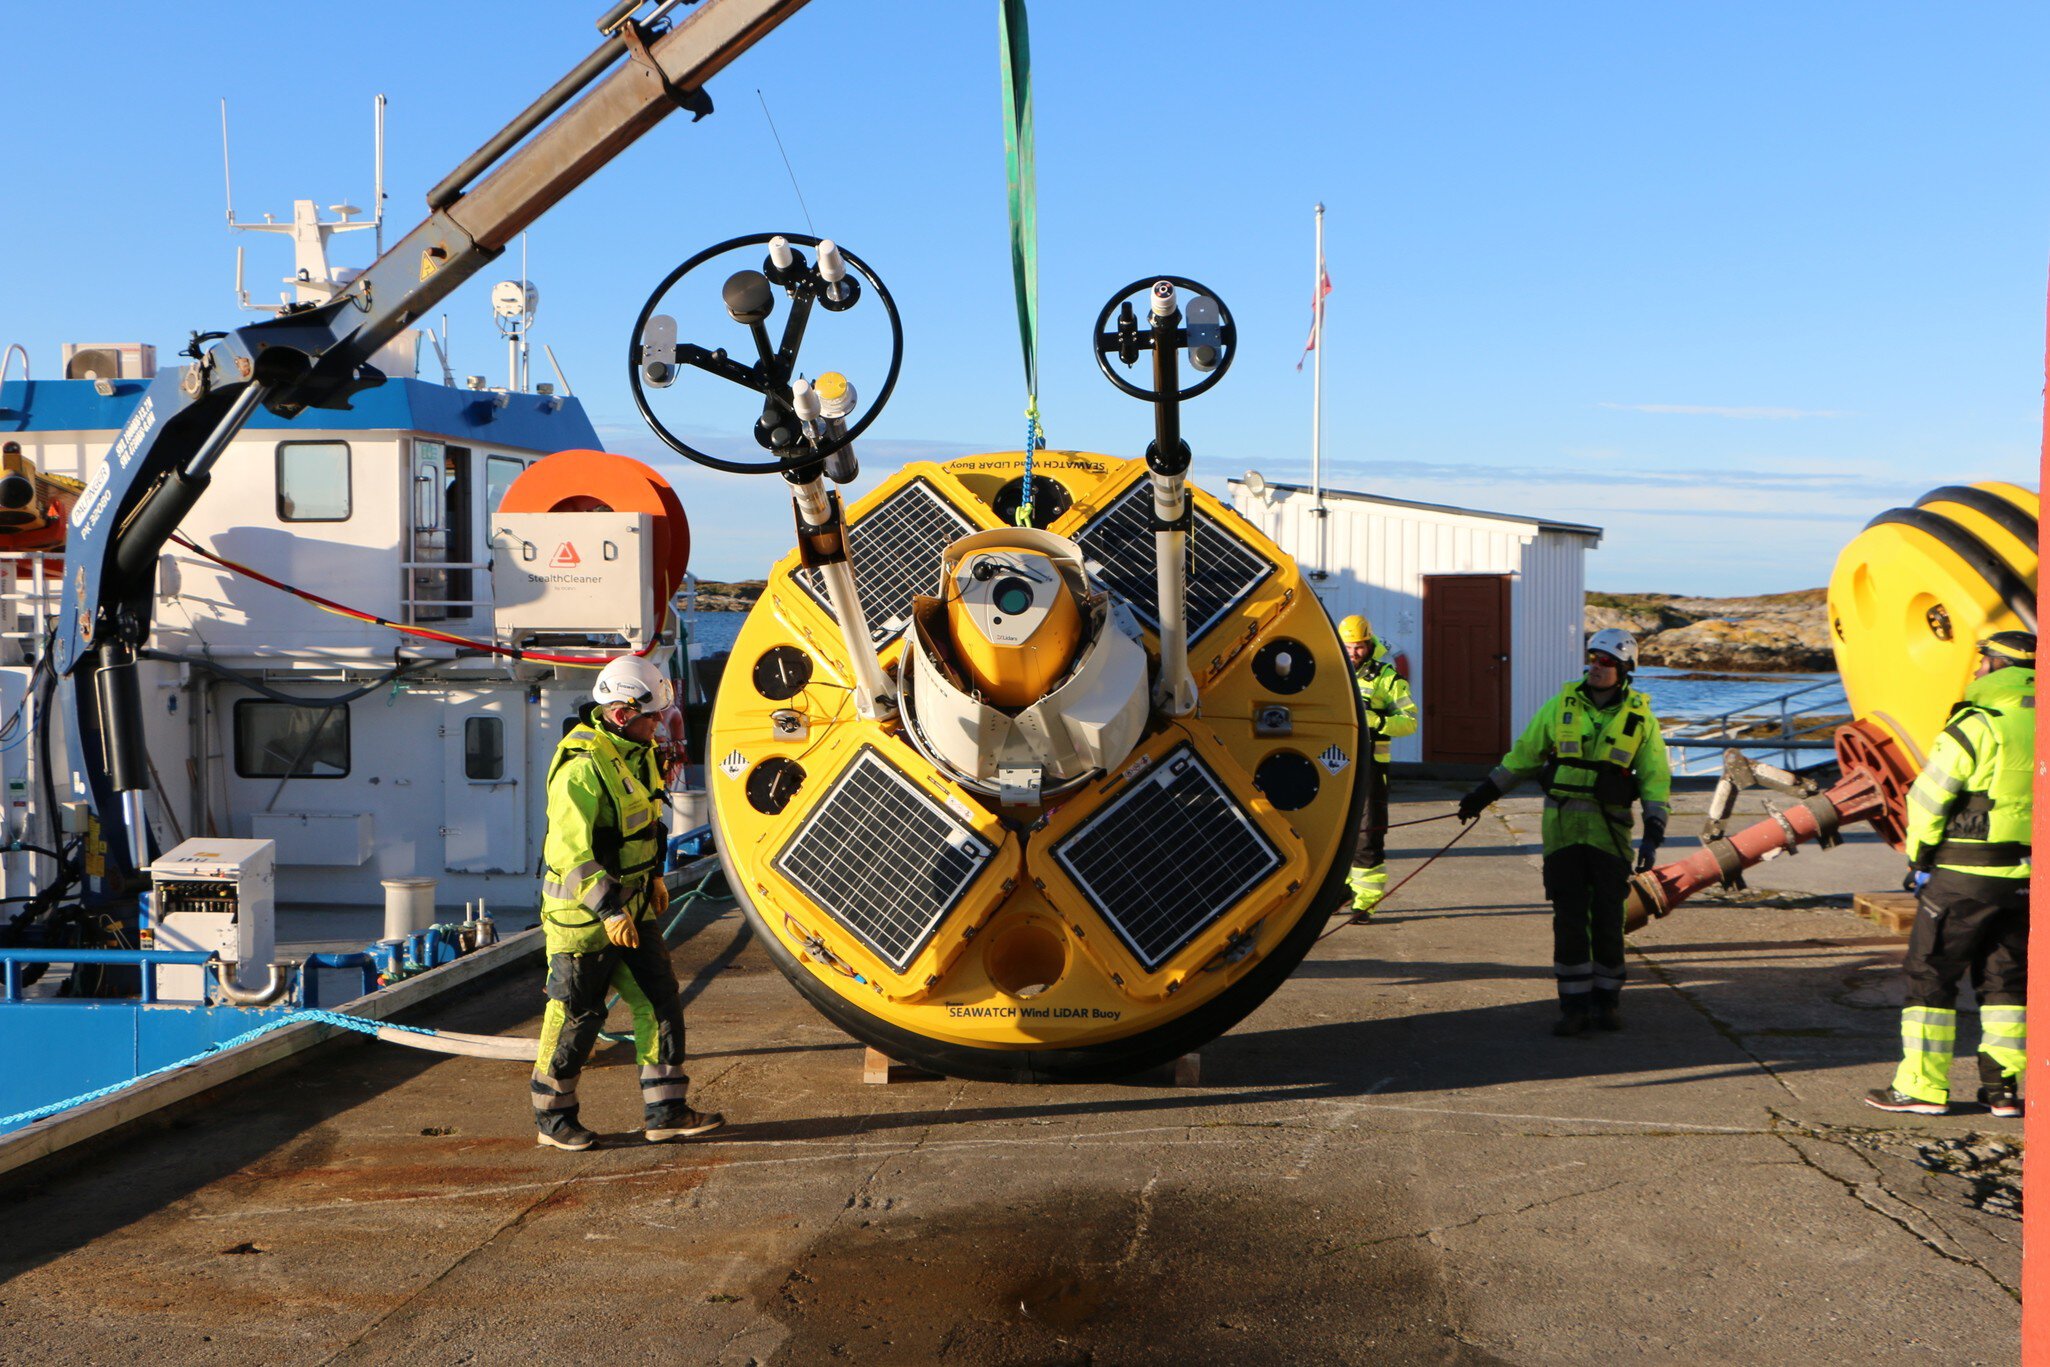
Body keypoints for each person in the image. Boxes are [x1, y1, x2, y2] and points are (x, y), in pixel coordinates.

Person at [531, 655, 723, 1150]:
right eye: (652, 715)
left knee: (659, 1004)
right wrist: (609, 910)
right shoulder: (581, 769)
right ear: (621, 714)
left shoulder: (635, 755)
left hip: (632, 910)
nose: (661, 723)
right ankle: (553, 1120)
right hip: (584, 920)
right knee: (577, 1015)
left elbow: (644, 829)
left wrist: (654, 879)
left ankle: (667, 1113)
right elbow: (570, 854)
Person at [1456, 628, 1670, 1034]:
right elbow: (1523, 757)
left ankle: (1606, 1003)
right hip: (1563, 835)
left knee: (1608, 919)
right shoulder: (1561, 706)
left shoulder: (1641, 719)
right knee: (1569, 920)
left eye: (1607, 661)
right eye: (1593, 657)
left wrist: (1655, 832)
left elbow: (1656, 780)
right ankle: (1573, 1007)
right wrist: (1482, 795)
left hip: (1610, 836)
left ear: (1626, 669)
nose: (1596, 665)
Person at [1865, 631, 2034, 1118]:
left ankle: (1921, 1086)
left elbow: (1929, 799)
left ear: (1997, 666)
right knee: (2005, 981)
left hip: (1963, 874)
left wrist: (1918, 860)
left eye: (1982, 662)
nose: (1977, 670)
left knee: (1931, 976)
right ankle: (2001, 1090)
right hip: (2025, 878)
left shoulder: (1976, 724)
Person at [1339, 613, 1418, 919]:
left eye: (1358, 646)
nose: (1353, 653)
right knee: (1337, 832)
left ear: (1369, 643)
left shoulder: (1388, 678)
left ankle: (1366, 901)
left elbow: (1409, 723)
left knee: (1367, 833)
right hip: (1334, 763)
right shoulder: (1331, 673)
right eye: (1347, 647)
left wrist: (1377, 721)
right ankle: (1339, 891)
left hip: (1372, 766)